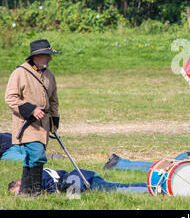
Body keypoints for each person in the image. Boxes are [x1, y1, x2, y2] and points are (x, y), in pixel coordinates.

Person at [4, 39, 60, 197]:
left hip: (44, 124)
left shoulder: (49, 75)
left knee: (31, 159)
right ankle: (36, 192)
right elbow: (10, 98)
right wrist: (32, 110)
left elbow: (54, 100)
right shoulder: (20, 73)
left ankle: (25, 192)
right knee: (38, 155)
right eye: (47, 56)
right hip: (27, 124)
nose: (50, 59)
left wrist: (54, 121)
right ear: (37, 56)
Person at [8, 168, 149, 195]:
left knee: (118, 189)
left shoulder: (39, 176)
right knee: (117, 187)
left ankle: (152, 188)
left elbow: (53, 186)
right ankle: (150, 187)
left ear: (21, 181)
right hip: (82, 179)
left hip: (83, 180)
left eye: (19, 191)